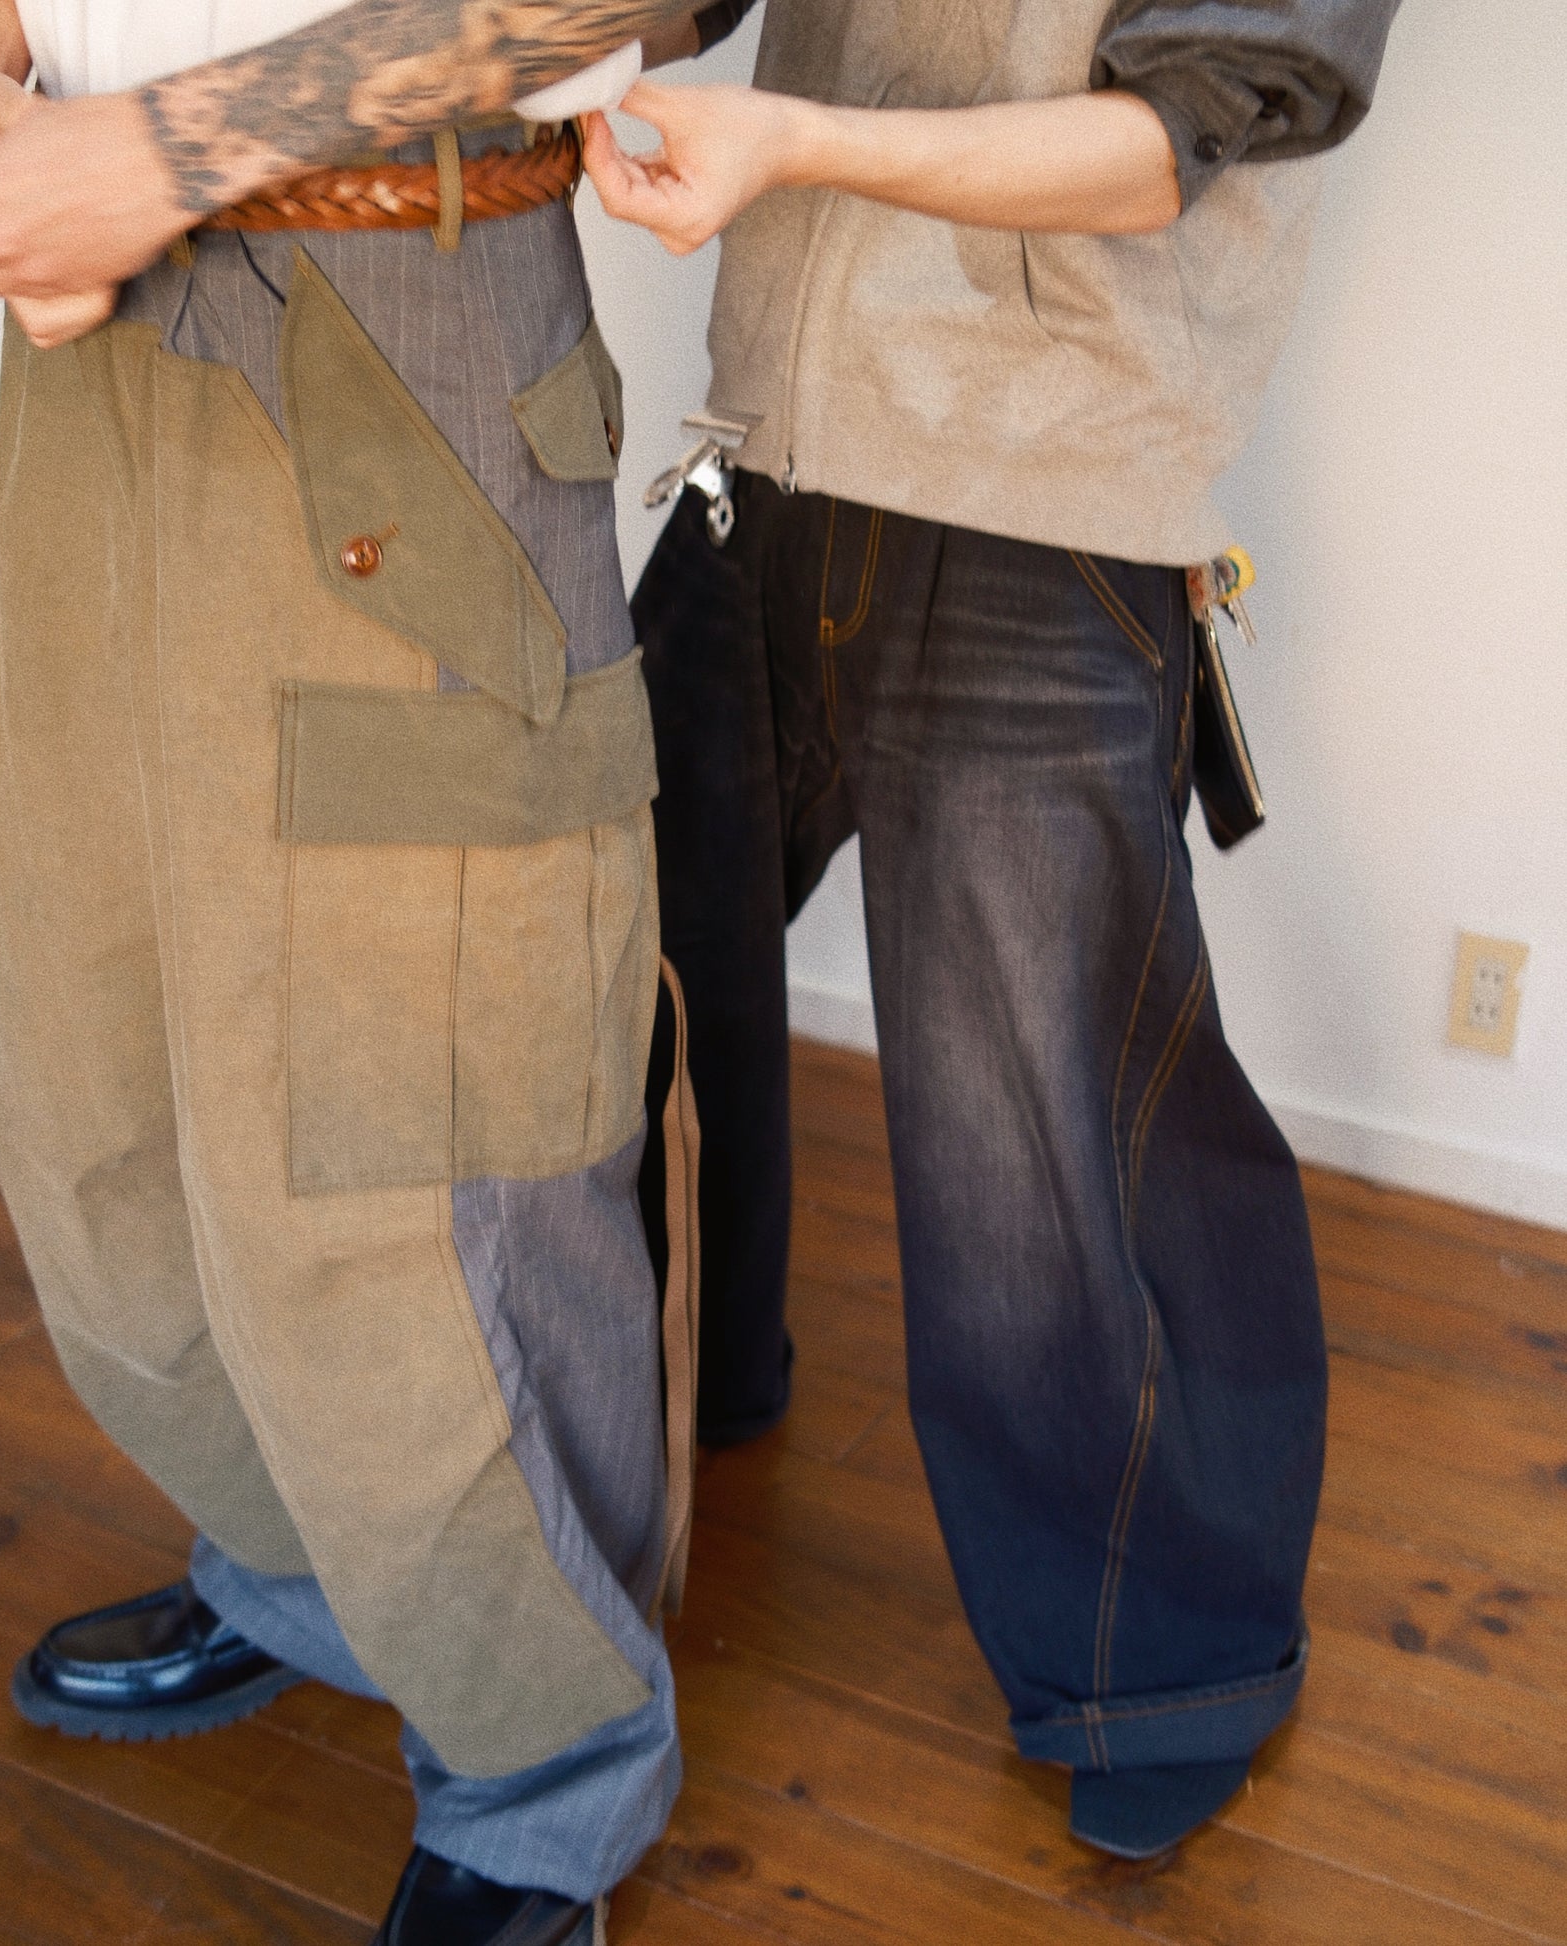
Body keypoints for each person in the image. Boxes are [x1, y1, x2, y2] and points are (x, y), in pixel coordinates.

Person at [0, 4, 721, 1940]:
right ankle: (308, 1578)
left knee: (410, 1144)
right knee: (102, 1086)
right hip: (91, 356)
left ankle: (545, 1768)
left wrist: (170, 146)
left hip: (402, 323)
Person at [584, 0, 1401, 1861]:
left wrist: (789, 143)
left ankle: (1158, 1656)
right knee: (622, 971)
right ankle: (689, 1386)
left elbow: (1168, 134)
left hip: (1038, 495)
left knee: (1036, 1133)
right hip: (765, 455)